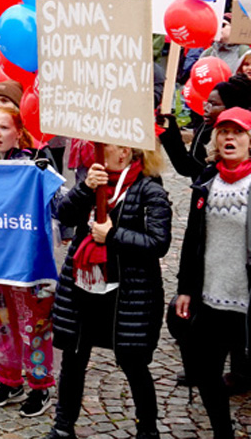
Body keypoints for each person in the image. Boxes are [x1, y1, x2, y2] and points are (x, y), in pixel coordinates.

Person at [43, 142, 171, 439]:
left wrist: (112, 235)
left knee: (133, 362)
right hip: (84, 287)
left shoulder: (149, 190)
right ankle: (63, 426)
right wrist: (85, 189)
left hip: (127, 294)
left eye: (107, 147)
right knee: (74, 359)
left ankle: (147, 428)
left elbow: (158, 243)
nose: (96, 152)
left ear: (126, 151)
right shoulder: (93, 180)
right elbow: (65, 215)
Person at [0, 107, 56, 418]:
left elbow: (57, 209)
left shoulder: (31, 165)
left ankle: (40, 385)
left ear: (18, 133)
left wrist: (44, 174)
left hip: (25, 264)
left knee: (32, 325)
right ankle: (9, 381)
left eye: (4, 128)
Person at [175, 106, 251, 439]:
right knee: (206, 374)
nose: (229, 137)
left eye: (238, 132)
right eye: (224, 131)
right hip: (211, 299)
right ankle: (223, 433)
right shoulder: (207, 181)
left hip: (247, 304)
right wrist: (185, 288)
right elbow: (192, 241)